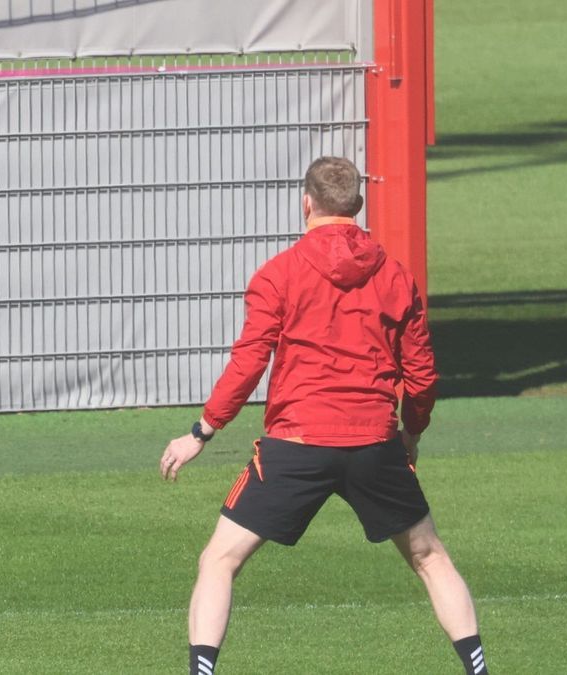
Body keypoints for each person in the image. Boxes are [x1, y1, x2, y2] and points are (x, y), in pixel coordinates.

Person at [159, 157, 488, 675]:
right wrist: (413, 432)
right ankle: (479, 670)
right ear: (357, 205)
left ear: (305, 203)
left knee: (219, 561)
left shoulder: (278, 274)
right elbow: (421, 373)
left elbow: (249, 362)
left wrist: (203, 431)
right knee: (430, 558)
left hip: (297, 443)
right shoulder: (396, 277)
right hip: (374, 444)